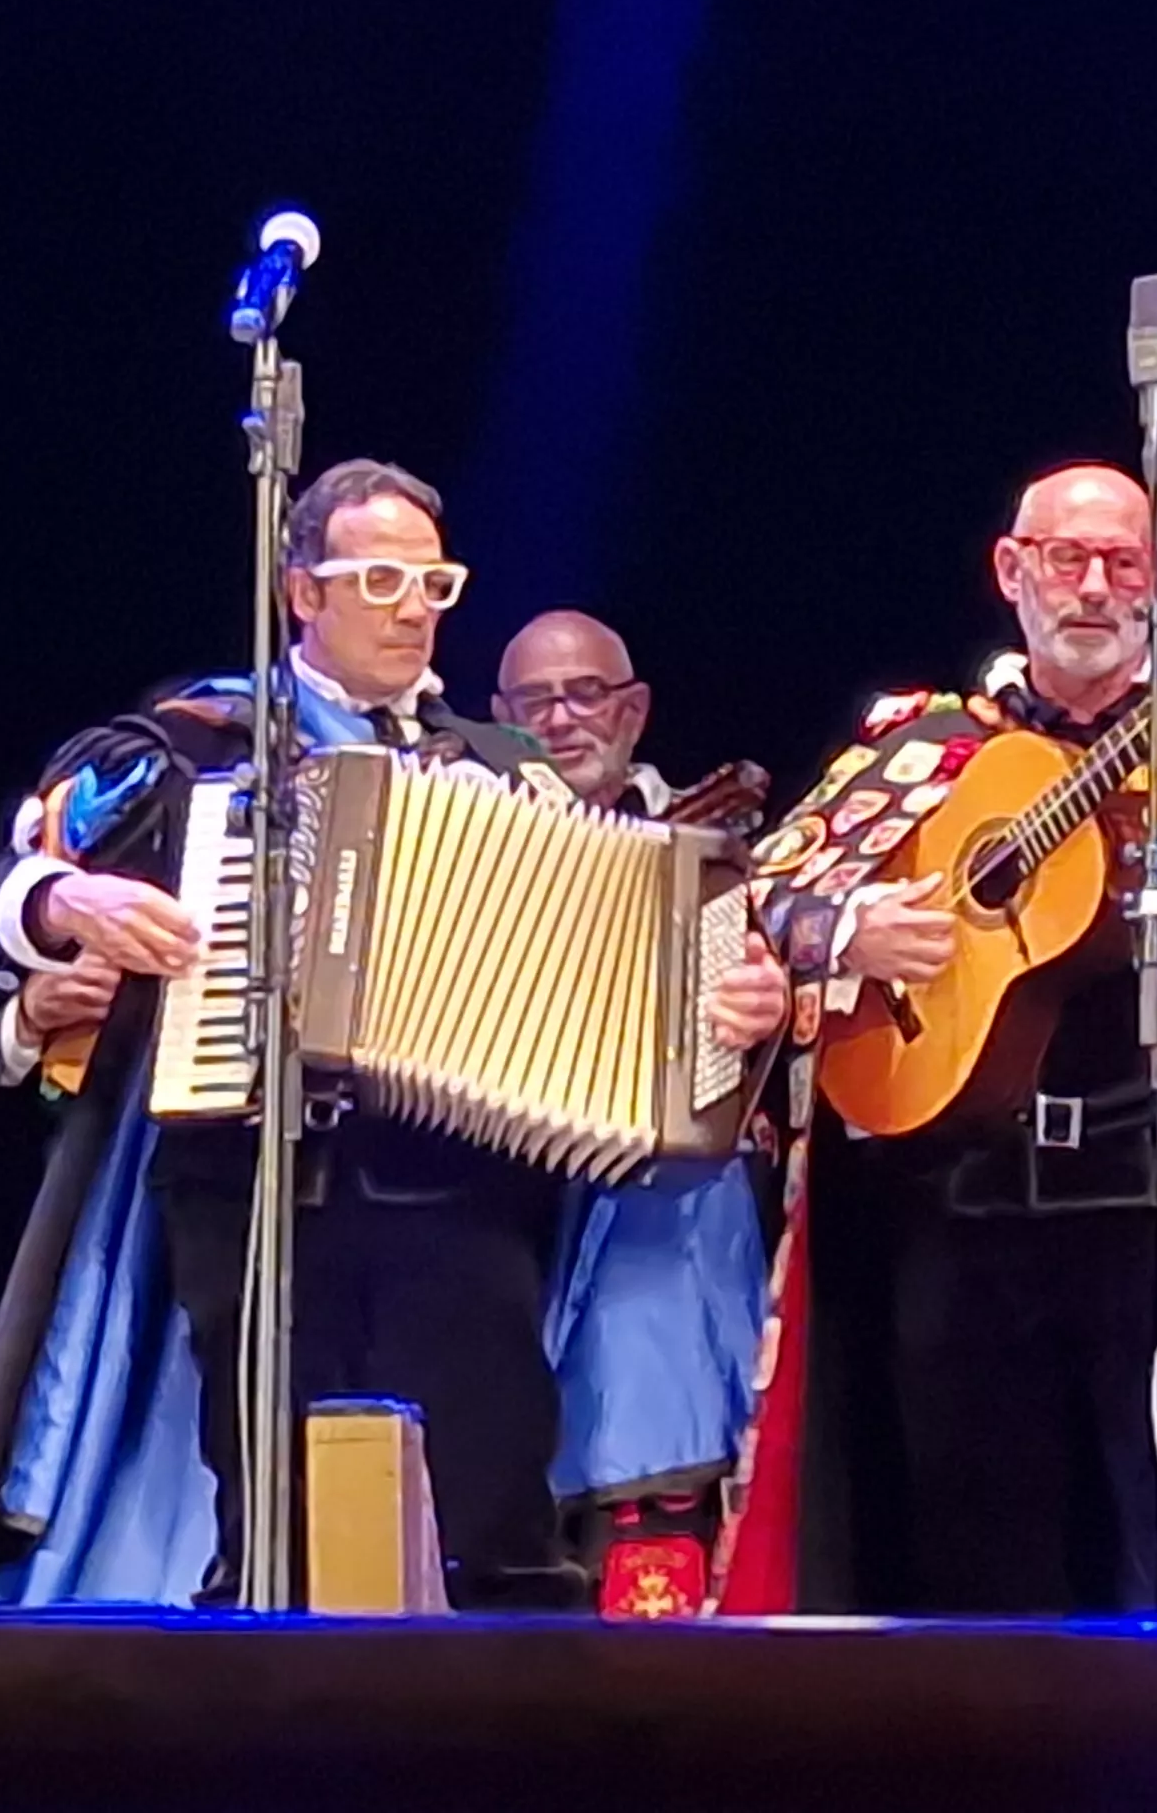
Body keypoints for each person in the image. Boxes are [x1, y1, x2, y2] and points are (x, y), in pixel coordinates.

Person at [0, 460, 786, 1609]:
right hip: (253, 1188)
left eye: (432, 579)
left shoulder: (503, 767)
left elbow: (626, 957)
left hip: (460, 1194)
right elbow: (24, 866)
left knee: (493, 1524)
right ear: (301, 592)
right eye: (378, 577)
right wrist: (60, 903)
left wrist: (727, 1006)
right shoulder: (204, 736)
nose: (411, 604)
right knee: (275, 1529)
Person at [755, 463, 1157, 1615]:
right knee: (976, 1548)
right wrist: (851, 926)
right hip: (961, 1187)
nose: (1094, 588)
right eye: (1066, 559)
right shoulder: (920, 740)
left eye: (1124, 563)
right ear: (1012, 571)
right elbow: (773, 891)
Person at [493, 608, 768, 1614]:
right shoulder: (479, 848)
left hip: (665, 1232)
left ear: (635, 708)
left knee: (652, 1509)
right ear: (501, 718)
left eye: (587, 694)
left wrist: (764, 1002)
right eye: (536, 701)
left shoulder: (719, 849)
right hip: (510, 1223)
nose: (563, 719)